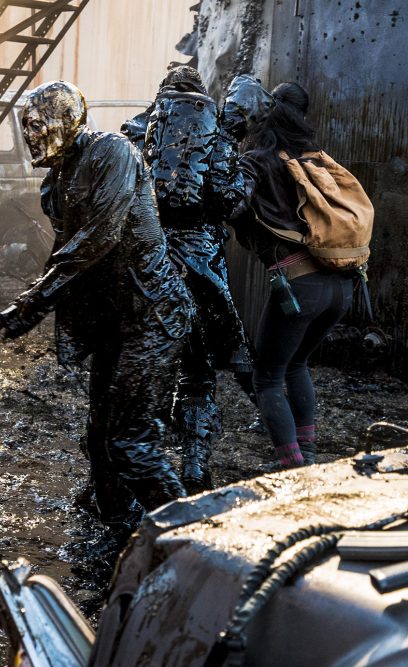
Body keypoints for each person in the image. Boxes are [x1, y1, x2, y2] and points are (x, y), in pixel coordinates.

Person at [0, 81, 193, 552]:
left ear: (65, 121)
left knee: (130, 442)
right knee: (100, 433)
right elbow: (67, 252)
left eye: (38, 125)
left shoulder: (113, 153)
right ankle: (120, 523)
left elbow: (102, 235)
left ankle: (197, 543)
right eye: (25, 127)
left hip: (153, 315)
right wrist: (34, 302)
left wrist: (35, 302)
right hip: (114, 322)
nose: (30, 136)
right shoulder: (57, 180)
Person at [138, 66, 253, 493]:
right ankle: (194, 467)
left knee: (141, 369)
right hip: (202, 269)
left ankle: (129, 470)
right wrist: (245, 179)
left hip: (147, 267)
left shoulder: (139, 131)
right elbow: (226, 200)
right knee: (198, 373)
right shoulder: (217, 133)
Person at [232, 81, 356, 468]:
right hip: (342, 284)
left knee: (267, 379)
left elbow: (231, 206)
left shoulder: (259, 159)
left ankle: (292, 465)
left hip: (299, 285)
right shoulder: (317, 159)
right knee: (298, 364)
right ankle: (309, 454)